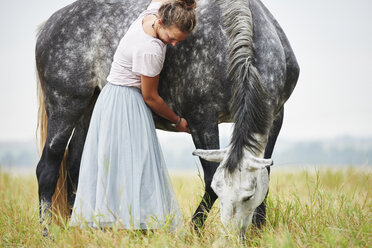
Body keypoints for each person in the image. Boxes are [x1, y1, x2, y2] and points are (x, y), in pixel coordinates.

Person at [69, 0, 197, 230]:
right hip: (126, 103)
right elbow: (151, 97)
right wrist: (177, 121)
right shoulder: (151, 50)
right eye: (172, 38)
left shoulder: (149, 15)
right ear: (161, 23)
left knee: (116, 164)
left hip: (110, 98)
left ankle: (116, 221)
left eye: (180, 40)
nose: (175, 44)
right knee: (136, 163)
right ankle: (130, 224)